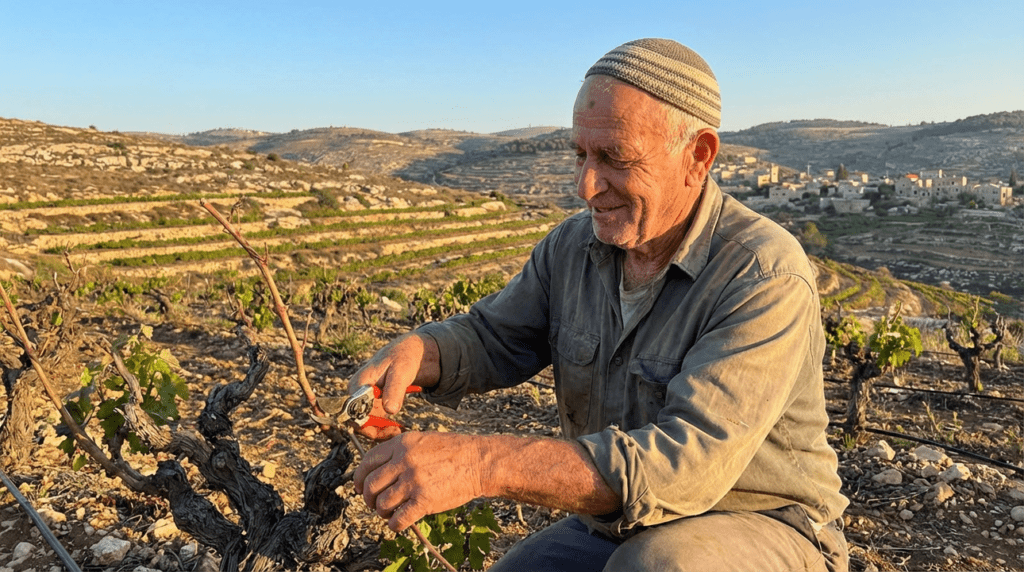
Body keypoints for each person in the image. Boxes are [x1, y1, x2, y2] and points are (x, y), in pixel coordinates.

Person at [350, 38, 849, 572]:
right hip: (627, 521)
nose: (585, 185)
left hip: (767, 524)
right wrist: (422, 352)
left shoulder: (762, 273)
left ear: (698, 156)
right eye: (581, 154)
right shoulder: (572, 248)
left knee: (658, 566)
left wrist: (480, 464)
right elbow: (496, 337)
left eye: (615, 158)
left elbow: (684, 465)